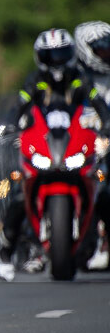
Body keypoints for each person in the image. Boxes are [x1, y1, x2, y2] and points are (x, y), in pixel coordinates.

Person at [0, 28, 110, 281]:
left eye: (61, 55)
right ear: (40, 58)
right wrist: (12, 124)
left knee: (103, 190)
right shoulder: (35, 82)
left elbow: (97, 103)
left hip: (74, 148)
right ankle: (5, 248)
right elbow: (19, 105)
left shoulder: (79, 79)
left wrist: (107, 121)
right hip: (44, 148)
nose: (56, 62)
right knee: (17, 196)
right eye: (51, 56)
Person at [75, 21, 110, 270]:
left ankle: (104, 242)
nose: (106, 54)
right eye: (100, 50)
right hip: (76, 145)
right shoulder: (72, 77)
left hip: (103, 145)